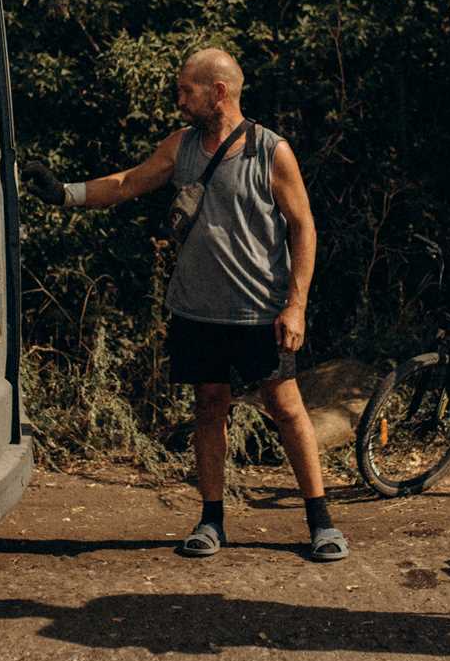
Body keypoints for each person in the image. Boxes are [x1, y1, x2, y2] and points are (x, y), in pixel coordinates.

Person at [22, 47, 348, 561]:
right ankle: (211, 520)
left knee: (286, 409)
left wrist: (297, 305)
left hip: (260, 311)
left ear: (217, 92)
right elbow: (127, 183)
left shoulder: (270, 150)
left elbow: (303, 226)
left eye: (185, 89)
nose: (179, 99)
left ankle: (321, 522)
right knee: (208, 408)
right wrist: (64, 193)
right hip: (198, 311)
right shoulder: (182, 146)